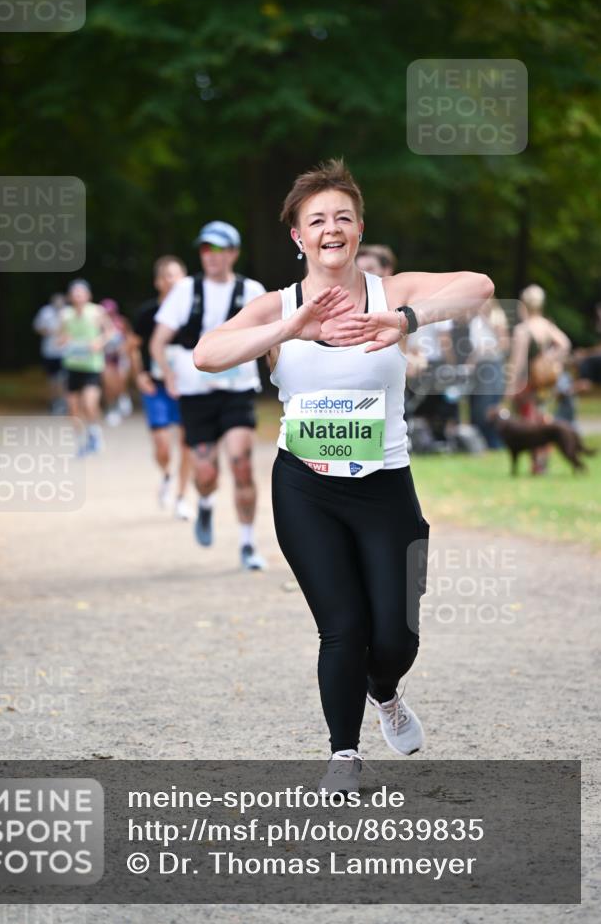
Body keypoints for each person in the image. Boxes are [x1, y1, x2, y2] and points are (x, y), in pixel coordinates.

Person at [193, 159, 493, 794]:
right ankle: (344, 754)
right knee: (343, 626)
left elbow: (481, 286)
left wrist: (405, 321)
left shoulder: (391, 291)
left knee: (397, 636)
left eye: (343, 218)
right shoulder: (278, 305)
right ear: (298, 236)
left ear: (359, 230)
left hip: (386, 486)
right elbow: (206, 354)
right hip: (306, 487)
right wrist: (289, 328)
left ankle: (386, 691)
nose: (331, 228)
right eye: (316, 220)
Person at [151, 222, 268, 570]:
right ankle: (204, 503)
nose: (211, 256)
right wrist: (168, 374)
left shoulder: (252, 290)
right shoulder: (186, 290)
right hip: (195, 395)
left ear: (233, 253)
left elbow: (273, 338)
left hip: (237, 392)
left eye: (218, 249)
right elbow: (158, 342)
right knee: (205, 474)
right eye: (205, 249)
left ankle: (248, 543)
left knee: (242, 465)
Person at [132, 256, 193, 519]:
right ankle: (167, 474)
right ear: (158, 282)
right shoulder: (148, 313)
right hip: (156, 385)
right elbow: (133, 346)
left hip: (188, 386)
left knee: (187, 443)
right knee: (162, 446)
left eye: (178, 275)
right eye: (168, 275)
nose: (173, 280)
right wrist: (139, 375)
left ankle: (181, 497)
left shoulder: (193, 311)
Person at [503, 284, 571, 474]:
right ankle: (542, 461)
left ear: (523, 305)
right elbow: (565, 344)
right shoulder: (547, 325)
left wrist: (509, 389)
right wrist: (550, 358)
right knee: (544, 421)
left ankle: (536, 462)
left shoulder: (523, 330)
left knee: (529, 425)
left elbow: (517, 363)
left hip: (528, 384)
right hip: (546, 384)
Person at [59, 280, 115, 455]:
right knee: (73, 408)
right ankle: (81, 441)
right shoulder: (65, 314)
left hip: (92, 366)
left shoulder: (97, 311)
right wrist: (64, 340)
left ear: (88, 295)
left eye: (81, 292)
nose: (78, 296)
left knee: (89, 403)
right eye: (74, 293)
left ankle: (94, 433)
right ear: (70, 296)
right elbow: (60, 337)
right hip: (72, 365)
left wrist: (100, 342)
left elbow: (110, 331)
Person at [467, 299, 510, 449]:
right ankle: (483, 443)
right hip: (479, 367)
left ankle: (494, 443)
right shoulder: (474, 321)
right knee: (478, 407)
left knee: (489, 406)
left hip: (492, 365)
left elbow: (504, 344)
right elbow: (477, 347)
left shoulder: (496, 319)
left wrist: (489, 322)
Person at [100, 298, 132, 426]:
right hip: (106, 357)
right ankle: (112, 408)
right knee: (108, 385)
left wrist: (124, 349)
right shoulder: (98, 324)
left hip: (120, 357)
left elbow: (129, 337)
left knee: (121, 380)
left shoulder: (122, 321)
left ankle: (122, 396)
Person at [32, 293, 67, 413]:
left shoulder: (68, 312)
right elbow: (37, 327)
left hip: (64, 352)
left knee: (62, 378)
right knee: (52, 379)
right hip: (49, 351)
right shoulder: (45, 312)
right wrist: (48, 331)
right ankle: (54, 401)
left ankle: (62, 402)